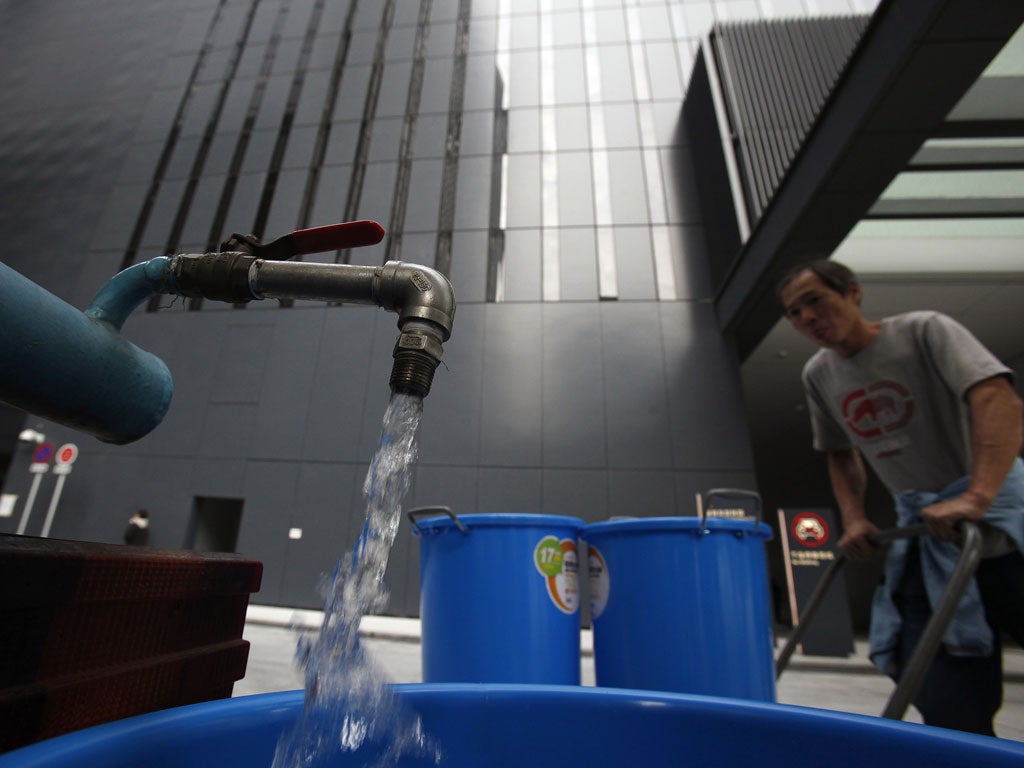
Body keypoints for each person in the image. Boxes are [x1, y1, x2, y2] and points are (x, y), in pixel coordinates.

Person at [777, 258, 1024, 735]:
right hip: (929, 536)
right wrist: (854, 519)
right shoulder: (819, 374)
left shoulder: (924, 332)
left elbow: (997, 398)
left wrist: (977, 496)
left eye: (815, 301)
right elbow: (839, 452)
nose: (808, 318)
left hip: (999, 527)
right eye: (795, 313)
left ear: (852, 293)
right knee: (944, 693)